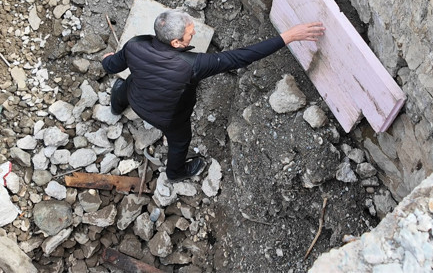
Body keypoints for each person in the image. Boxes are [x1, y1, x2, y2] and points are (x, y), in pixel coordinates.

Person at [101, 10, 325, 182]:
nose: (194, 33)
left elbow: (112, 65)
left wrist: (106, 59)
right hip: (168, 118)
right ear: (176, 42)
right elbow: (240, 57)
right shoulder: (193, 65)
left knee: (126, 84)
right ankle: (175, 173)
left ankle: (115, 107)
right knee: (180, 142)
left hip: (136, 97)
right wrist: (289, 36)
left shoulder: (134, 45)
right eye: (190, 33)